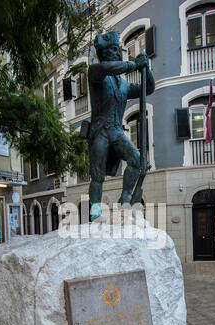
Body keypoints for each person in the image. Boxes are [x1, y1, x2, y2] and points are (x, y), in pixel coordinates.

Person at [88, 31, 155, 221]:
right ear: (103, 53)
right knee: (97, 175)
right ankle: (95, 212)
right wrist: (135, 65)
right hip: (100, 131)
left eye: (116, 49)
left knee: (137, 160)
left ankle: (125, 197)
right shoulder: (95, 71)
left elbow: (148, 89)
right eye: (110, 49)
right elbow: (110, 68)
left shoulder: (123, 85)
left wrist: (146, 70)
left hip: (116, 131)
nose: (114, 53)